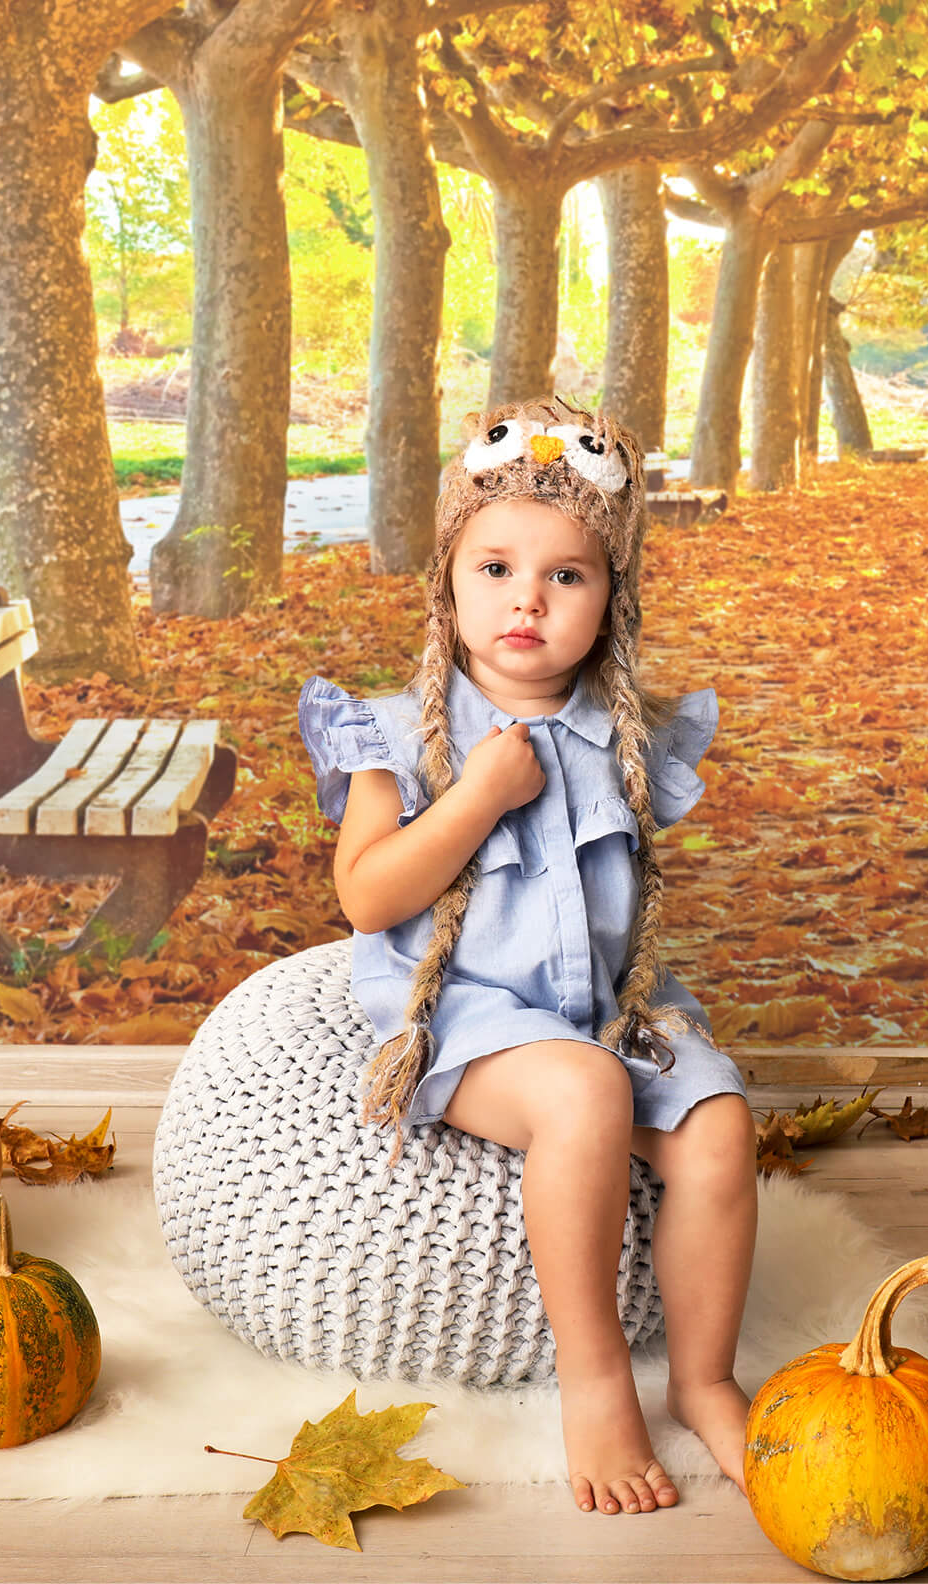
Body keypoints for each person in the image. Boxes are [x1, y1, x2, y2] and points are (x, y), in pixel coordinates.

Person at [296, 399, 757, 1517]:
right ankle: (595, 1379)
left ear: (611, 600)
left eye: (566, 576)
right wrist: (476, 797)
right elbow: (367, 896)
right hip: (465, 1013)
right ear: (447, 583)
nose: (527, 601)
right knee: (584, 1091)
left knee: (719, 1127)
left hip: (602, 1008)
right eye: (496, 567)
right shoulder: (395, 736)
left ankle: (704, 1378)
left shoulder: (623, 736)